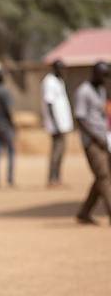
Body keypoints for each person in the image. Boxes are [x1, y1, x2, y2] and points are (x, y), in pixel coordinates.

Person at [74, 61, 111, 226]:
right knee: (103, 176)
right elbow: (80, 119)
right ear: (94, 73)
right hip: (92, 142)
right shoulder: (84, 91)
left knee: (101, 177)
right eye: (103, 75)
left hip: (104, 139)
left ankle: (84, 212)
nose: (105, 79)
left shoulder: (101, 90)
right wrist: (95, 138)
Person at [41, 60, 74, 187]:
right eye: (61, 68)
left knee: (60, 151)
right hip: (56, 125)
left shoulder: (59, 81)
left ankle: (57, 177)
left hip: (62, 123)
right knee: (56, 151)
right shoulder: (49, 82)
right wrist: (56, 124)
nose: (63, 71)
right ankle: (52, 178)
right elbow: (49, 103)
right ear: (55, 69)